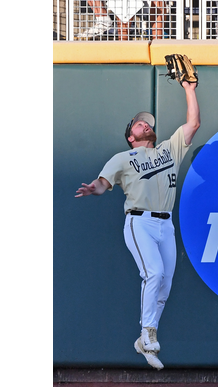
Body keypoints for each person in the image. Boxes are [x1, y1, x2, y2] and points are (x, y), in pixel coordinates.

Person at [75, 80, 200, 370]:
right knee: (153, 273)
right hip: (139, 222)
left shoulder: (170, 149)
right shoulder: (123, 157)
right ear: (130, 136)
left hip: (165, 225)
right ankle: (147, 333)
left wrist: (189, 88)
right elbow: (102, 183)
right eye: (139, 123)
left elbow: (193, 123)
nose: (145, 124)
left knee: (165, 284)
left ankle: (145, 340)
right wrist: (94, 188)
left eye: (147, 122)